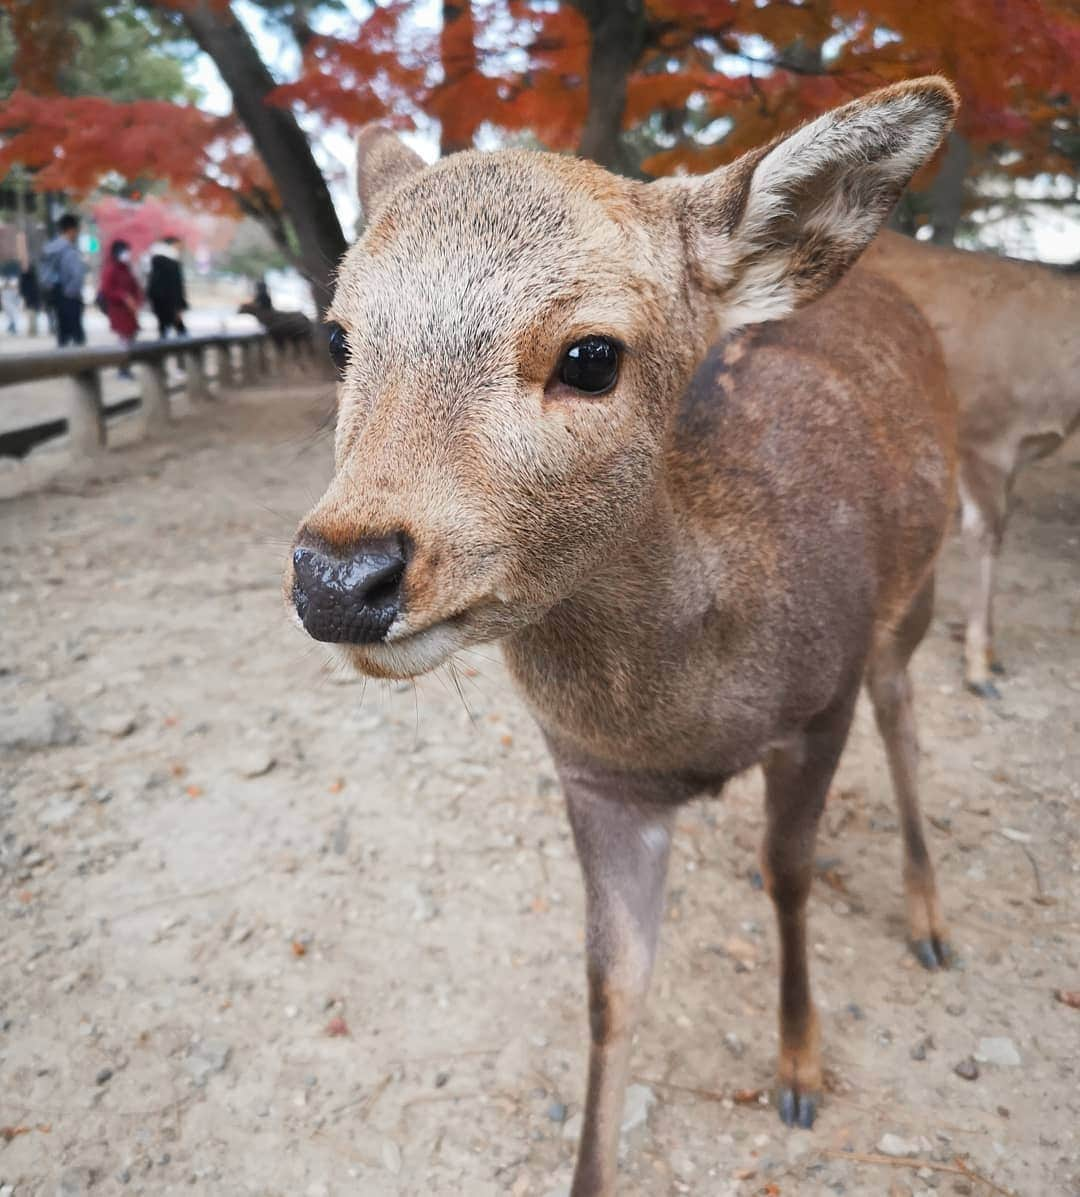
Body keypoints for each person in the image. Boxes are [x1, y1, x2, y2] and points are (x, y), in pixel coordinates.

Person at [40, 213, 88, 347]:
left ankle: (62, 362)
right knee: (77, 335)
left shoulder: (49, 248)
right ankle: (81, 366)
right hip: (69, 296)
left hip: (55, 293)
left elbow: (43, 273)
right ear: (71, 230)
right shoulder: (69, 250)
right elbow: (77, 275)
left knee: (62, 334)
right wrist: (71, 292)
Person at [99, 239, 143, 377]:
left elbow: (135, 286)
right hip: (118, 310)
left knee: (131, 338)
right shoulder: (111, 269)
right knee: (123, 339)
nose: (127, 254)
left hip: (130, 311)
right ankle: (122, 368)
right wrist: (123, 297)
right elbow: (107, 289)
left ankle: (126, 367)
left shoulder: (126, 268)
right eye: (125, 251)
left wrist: (137, 300)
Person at [146, 235, 188, 337]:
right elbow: (176, 286)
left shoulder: (155, 261)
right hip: (170, 303)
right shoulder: (171, 263)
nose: (181, 248)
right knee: (178, 331)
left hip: (160, 302)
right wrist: (179, 305)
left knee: (164, 329)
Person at [1, 261, 21, 334]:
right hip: (6, 300)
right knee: (8, 314)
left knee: (14, 313)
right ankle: (11, 326)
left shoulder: (14, 280)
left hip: (13, 300)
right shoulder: (3, 280)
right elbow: (2, 288)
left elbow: (15, 288)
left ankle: (13, 326)